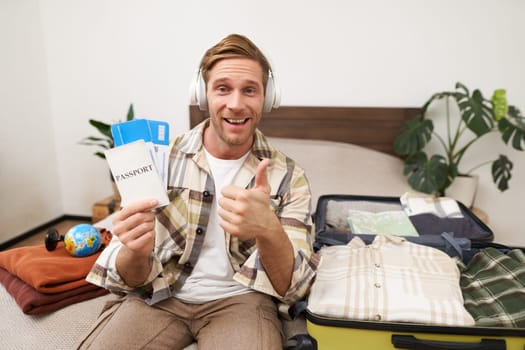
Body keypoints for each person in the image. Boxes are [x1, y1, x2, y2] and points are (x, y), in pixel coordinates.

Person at [78, 33, 320, 350]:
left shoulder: (290, 177)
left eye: (250, 90)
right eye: (223, 88)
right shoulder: (158, 159)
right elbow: (131, 277)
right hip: (161, 293)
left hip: (241, 302)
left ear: (267, 97)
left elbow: (294, 289)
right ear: (202, 94)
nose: (236, 104)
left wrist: (268, 229)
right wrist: (135, 251)